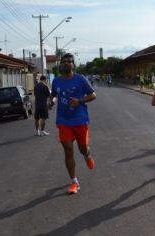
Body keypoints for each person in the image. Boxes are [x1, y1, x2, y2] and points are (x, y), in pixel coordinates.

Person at [49, 53, 97, 194]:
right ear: (60, 64)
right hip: (63, 120)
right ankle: (74, 182)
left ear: (73, 65)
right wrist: (51, 102)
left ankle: (87, 155)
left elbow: (93, 95)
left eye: (69, 61)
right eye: (64, 61)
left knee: (82, 148)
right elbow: (54, 95)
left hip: (80, 119)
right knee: (68, 149)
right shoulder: (56, 81)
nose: (66, 63)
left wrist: (80, 101)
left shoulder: (80, 79)